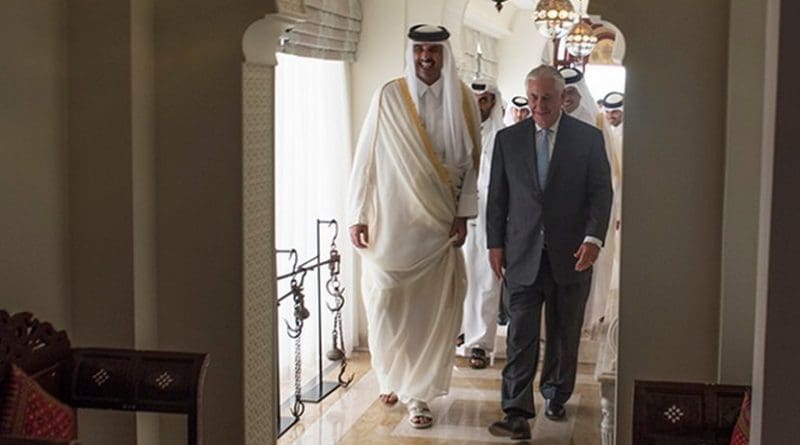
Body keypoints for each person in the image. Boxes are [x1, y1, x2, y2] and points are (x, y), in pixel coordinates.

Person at [347, 24, 481, 430]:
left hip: (438, 227)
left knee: (429, 313)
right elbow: (365, 157)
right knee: (386, 303)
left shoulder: (464, 100)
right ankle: (390, 375)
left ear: (445, 54)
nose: (426, 57)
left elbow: (471, 165)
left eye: (434, 50)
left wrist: (463, 213)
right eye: (420, 49)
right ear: (412, 52)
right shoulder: (389, 95)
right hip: (390, 224)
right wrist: (357, 214)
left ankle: (418, 395)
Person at [486, 65, 612, 440]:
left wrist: (593, 239)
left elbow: (601, 193)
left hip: (572, 253)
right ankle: (516, 412)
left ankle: (556, 393)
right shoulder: (508, 140)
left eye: (547, 98)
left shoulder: (587, 139)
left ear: (563, 99)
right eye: (534, 98)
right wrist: (495, 244)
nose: (539, 106)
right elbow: (497, 198)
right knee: (519, 335)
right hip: (522, 253)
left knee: (563, 331)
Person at [461, 78, 504, 369]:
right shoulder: (458, 130)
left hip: (491, 214)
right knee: (459, 276)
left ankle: (480, 344)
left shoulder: (503, 135)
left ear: (493, 102)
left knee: (488, 279)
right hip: (459, 213)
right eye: (475, 99)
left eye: (485, 99)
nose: (480, 104)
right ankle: (459, 332)